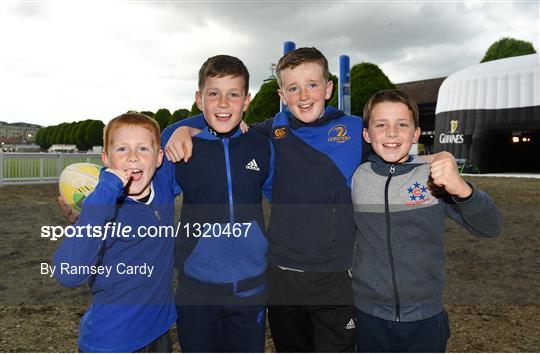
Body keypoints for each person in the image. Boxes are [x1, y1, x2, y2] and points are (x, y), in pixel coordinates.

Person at [165, 47, 364, 352]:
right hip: (255, 280)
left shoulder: (351, 129)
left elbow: (391, 141)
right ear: (282, 95)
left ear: (328, 88)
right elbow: (219, 122)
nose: (304, 95)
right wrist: (181, 128)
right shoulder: (268, 133)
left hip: (323, 276)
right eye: (293, 88)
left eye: (312, 85)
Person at [351, 89, 502, 352]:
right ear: (366, 134)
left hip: (425, 317)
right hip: (368, 315)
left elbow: (490, 227)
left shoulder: (434, 178)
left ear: (416, 134)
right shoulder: (357, 177)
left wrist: (463, 189)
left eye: (402, 124)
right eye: (381, 124)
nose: (392, 132)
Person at [160, 54, 274, 352]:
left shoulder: (261, 146)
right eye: (214, 94)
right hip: (197, 291)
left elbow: (283, 196)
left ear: (246, 101)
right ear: (200, 99)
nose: (223, 103)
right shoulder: (182, 147)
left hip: (252, 290)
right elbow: (146, 197)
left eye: (233, 94)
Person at [53, 113, 177, 352]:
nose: (133, 157)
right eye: (122, 149)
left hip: (158, 331)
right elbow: (68, 275)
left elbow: (199, 122)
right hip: (112, 341)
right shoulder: (101, 206)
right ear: (106, 159)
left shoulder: (162, 181)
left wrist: (184, 131)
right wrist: (102, 198)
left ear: (159, 157)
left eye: (143, 148)